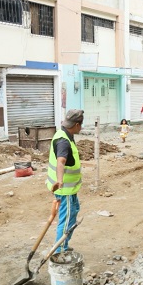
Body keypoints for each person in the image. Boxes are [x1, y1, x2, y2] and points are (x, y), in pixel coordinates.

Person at [46, 109, 84, 260]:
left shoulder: (64, 134)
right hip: (64, 190)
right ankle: (59, 252)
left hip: (69, 189)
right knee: (67, 219)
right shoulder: (63, 141)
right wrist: (60, 180)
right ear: (76, 125)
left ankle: (64, 245)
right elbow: (61, 161)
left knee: (72, 213)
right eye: (81, 125)